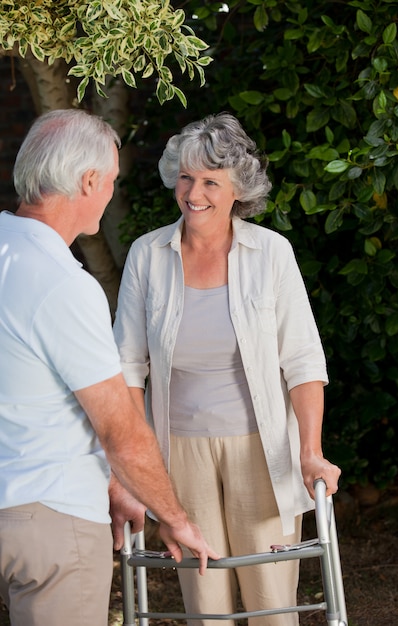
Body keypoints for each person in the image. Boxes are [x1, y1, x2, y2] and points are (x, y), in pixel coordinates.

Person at [113, 112, 341, 626]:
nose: (194, 192)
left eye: (211, 181)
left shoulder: (271, 254)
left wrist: (310, 452)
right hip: (179, 454)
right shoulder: (147, 255)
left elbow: (303, 360)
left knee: (273, 604)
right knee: (205, 604)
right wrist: (133, 465)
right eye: (187, 177)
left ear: (238, 189)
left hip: (262, 451)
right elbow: (128, 369)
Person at [0, 109, 219, 626]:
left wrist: (116, 487)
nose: (111, 194)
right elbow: (121, 429)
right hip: (50, 522)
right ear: (88, 181)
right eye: (112, 182)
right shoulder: (63, 284)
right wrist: (175, 518)